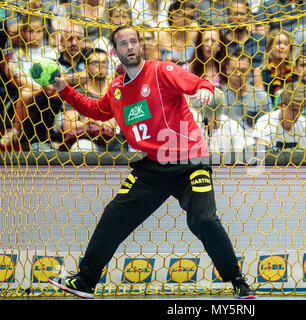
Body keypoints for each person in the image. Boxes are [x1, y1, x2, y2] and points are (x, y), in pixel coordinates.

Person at [48, 25, 256, 300]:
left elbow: (194, 82)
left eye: (134, 41)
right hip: (153, 166)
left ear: (140, 46)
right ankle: (85, 282)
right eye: (124, 43)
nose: (130, 46)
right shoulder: (117, 89)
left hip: (189, 159)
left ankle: (238, 282)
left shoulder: (161, 70)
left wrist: (205, 88)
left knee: (203, 220)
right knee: (114, 218)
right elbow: (96, 111)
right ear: (115, 51)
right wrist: (64, 89)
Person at [1, 14, 61, 151]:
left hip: (48, 89)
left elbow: (54, 74)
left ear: (44, 32)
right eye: (30, 31)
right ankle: (17, 129)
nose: (35, 35)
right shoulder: (19, 53)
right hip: (28, 89)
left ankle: (53, 134)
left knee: (56, 92)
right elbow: (19, 77)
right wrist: (36, 86)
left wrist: (44, 86)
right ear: (23, 33)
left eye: (38, 31)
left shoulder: (51, 51)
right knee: (27, 93)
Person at [60, 48, 119, 152]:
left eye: (104, 62)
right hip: (87, 142)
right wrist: (98, 122)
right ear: (86, 67)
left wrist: (87, 121)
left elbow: (111, 126)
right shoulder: (76, 93)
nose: (101, 66)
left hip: (114, 142)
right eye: (96, 62)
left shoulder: (115, 91)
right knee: (81, 147)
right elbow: (68, 127)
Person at [223, 49, 273, 145]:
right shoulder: (219, 97)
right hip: (228, 148)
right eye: (234, 70)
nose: (238, 74)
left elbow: (269, 129)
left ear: (250, 70)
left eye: (243, 70)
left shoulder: (262, 97)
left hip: (256, 148)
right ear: (227, 69)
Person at [253, 82, 306, 153]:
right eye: (293, 110)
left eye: (301, 110)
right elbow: (262, 156)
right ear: (281, 105)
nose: (297, 114)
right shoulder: (264, 123)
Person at [224, 0, 266, 69]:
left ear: (248, 17)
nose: (239, 17)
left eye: (242, 14)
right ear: (228, 16)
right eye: (235, 13)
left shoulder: (260, 40)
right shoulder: (221, 43)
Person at [257, 29, 294, 105]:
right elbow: (261, 103)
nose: (282, 46)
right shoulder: (259, 72)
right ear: (269, 48)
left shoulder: (295, 70)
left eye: (286, 44)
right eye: (278, 43)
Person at [159, 0, 198, 65]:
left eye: (191, 17)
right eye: (185, 16)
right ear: (173, 14)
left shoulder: (195, 35)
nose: (188, 21)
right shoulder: (159, 39)